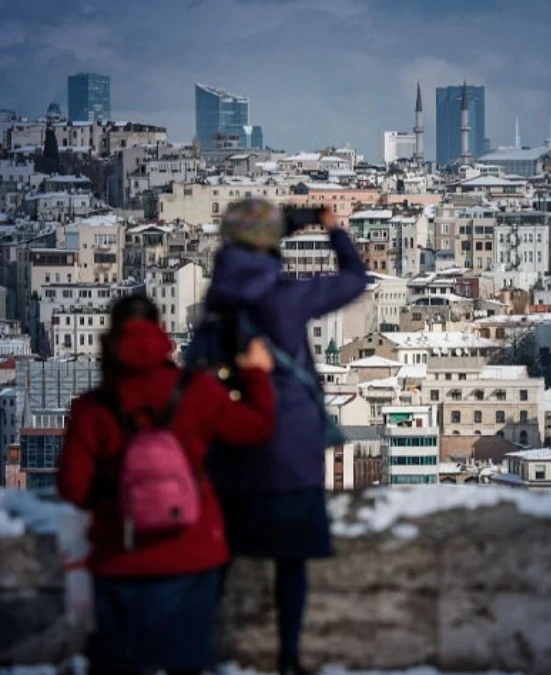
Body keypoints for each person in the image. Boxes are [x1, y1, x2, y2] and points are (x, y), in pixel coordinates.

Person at [58, 294, 277, 675]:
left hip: (119, 557)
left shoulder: (93, 407)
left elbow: (73, 487)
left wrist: (117, 505)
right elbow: (256, 427)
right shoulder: (196, 391)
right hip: (191, 552)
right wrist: (256, 374)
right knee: (186, 663)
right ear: (161, 332)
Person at [205, 198, 368, 675]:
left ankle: (202, 650)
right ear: (272, 240)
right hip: (290, 447)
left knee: (220, 558)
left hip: (232, 444)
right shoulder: (284, 295)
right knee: (291, 560)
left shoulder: (218, 294)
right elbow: (355, 279)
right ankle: (289, 657)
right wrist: (331, 231)